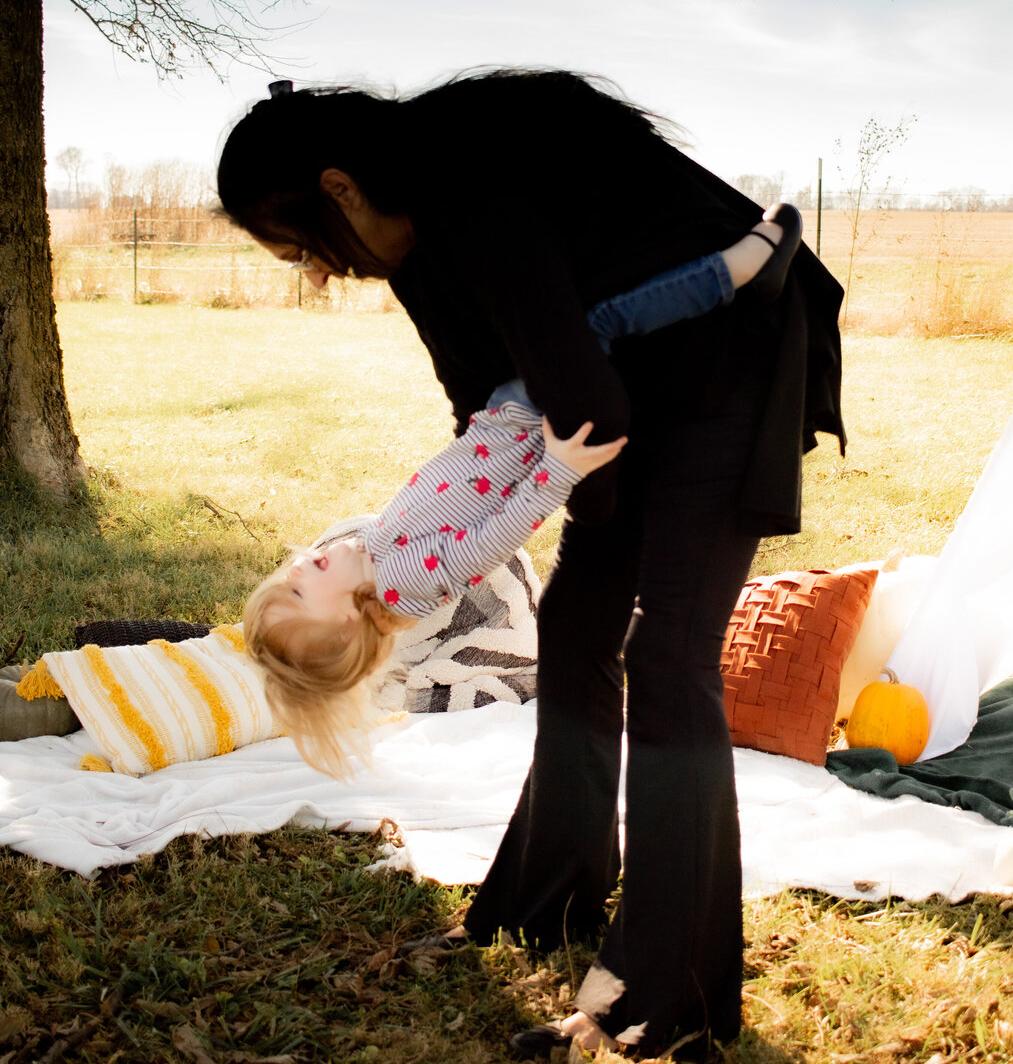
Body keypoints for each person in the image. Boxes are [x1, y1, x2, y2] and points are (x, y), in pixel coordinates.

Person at [218, 70, 846, 1059]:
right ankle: (545, 903)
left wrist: (558, 489)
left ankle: (670, 993)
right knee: (577, 626)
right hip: (611, 396)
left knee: (669, 655)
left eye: (307, 249)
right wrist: (519, 483)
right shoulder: (416, 254)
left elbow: (584, 401)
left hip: (730, 351)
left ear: (341, 188)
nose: (320, 274)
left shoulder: (474, 196)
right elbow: (485, 400)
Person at [242, 215, 801, 776]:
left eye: (286, 575)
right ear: (343, 622)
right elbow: (494, 539)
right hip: (532, 428)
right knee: (601, 321)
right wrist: (557, 471)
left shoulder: (374, 559)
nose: (296, 565)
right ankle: (738, 270)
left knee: (575, 319)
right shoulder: (401, 580)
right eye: (297, 590)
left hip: (505, 417)